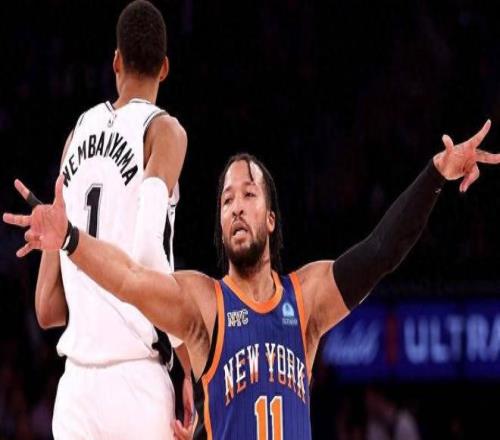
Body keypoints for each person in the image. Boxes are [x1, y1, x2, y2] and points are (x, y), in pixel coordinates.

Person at [4, 121, 500, 439]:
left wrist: (435, 173)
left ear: (270, 218)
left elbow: (380, 252)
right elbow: (131, 278)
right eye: (226, 200)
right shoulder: (204, 303)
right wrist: (70, 238)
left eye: (248, 194)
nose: (236, 206)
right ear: (221, 224)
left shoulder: (306, 299)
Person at [13, 1, 194, 438]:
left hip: (76, 391)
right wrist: (190, 356)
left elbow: (46, 308)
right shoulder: (163, 131)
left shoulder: (75, 136)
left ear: (116, 61)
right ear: (165, 68)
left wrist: (91, 303)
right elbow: (148, 250)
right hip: (137, 382)